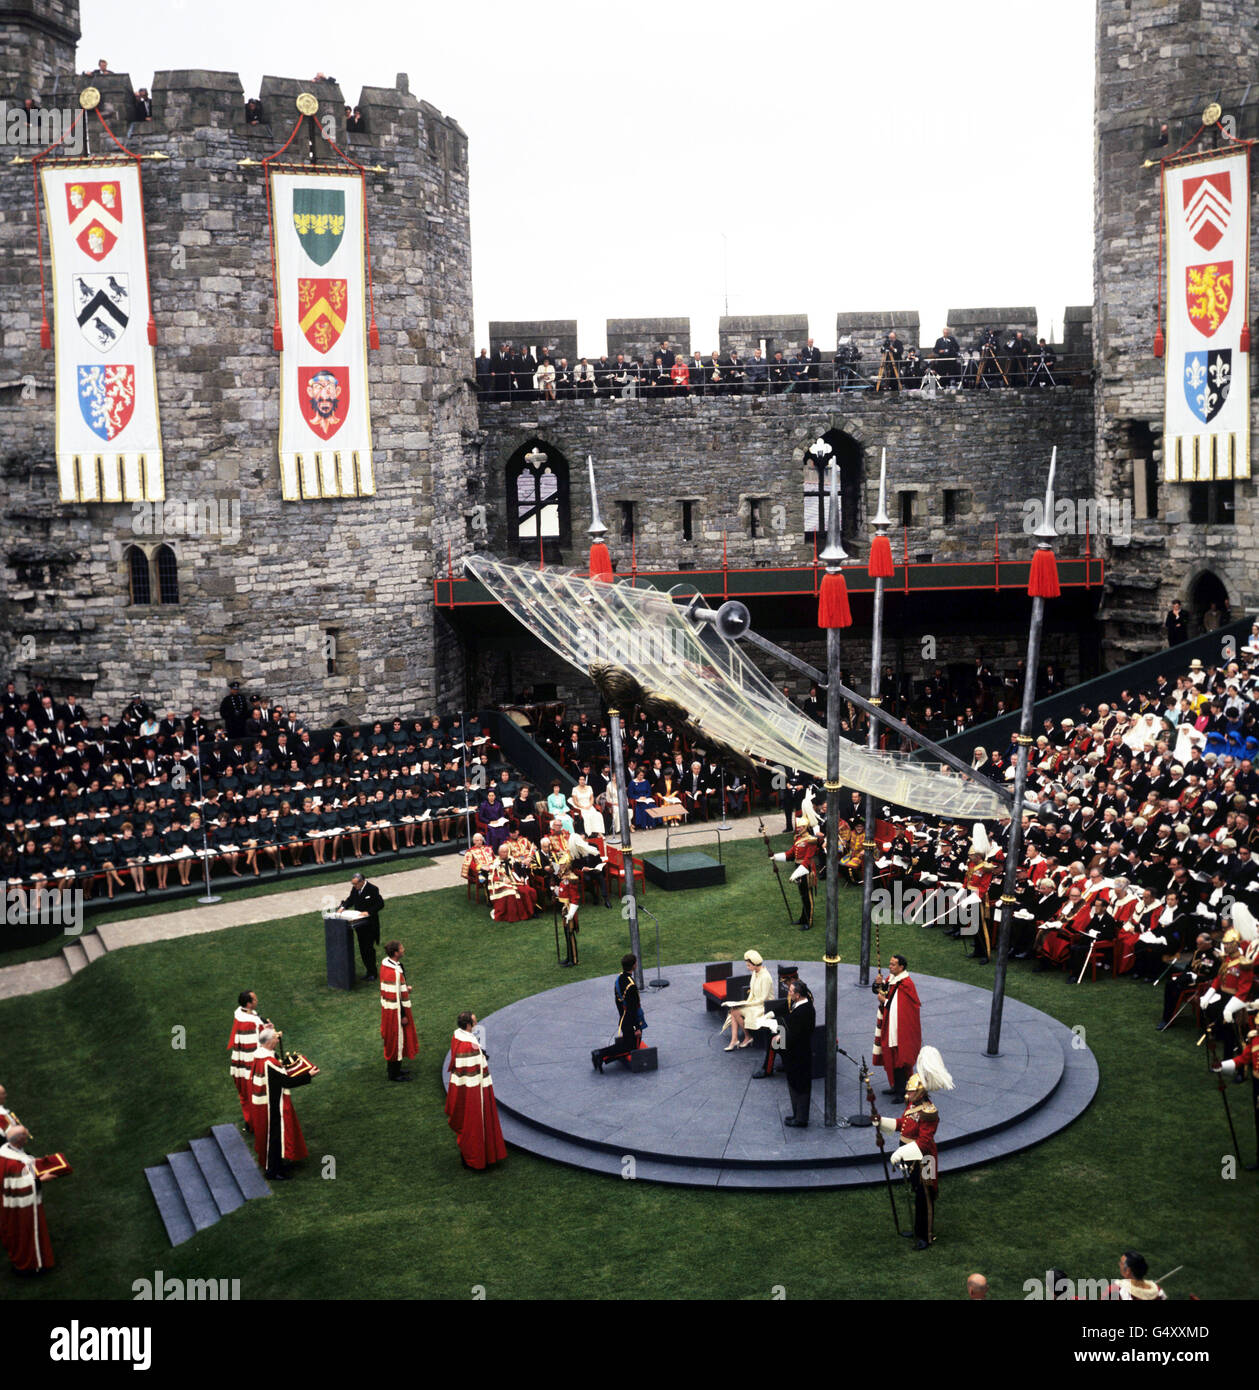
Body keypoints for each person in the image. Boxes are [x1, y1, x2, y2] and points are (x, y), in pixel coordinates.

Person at [877, 1046, 952, 1250]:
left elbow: (924, 1142)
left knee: (925, 1197)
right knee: (916, 1192)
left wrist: (900, 1153)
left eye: (911, 1091)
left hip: (926, 1159)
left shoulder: (929, 1111)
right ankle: (918, 1230)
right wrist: (882, 1122)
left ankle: (925, 1235)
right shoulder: (913, 1106)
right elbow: (905, 1125)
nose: (907, 1094)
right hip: (912, 1158)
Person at [249, 1027, 318, 1180]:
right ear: (268, 1042)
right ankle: (273, 1171)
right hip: (272, 1105)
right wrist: (308, 1075)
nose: (278, 1040)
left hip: (262, 1103)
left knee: (270, 1136)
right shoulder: (269, 1062)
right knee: (274, 1137)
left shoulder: (260, 1057)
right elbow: (287, 1082)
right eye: (275, 1038)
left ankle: (275, 1166)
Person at [444, 1012, 507, 1170]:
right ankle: (474, 1159)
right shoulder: (467, 1047)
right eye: (474, 1021)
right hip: (474, 1093)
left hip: (465, 1089)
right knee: (474, 1124)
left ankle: (469, 1156)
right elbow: (474, 1073)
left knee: (468, 1124)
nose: (477, 1023)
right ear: (468, 1025)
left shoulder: (458, 1036)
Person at [0, 1125, 67, 1274]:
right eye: (26, 1135)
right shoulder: (14, 1164)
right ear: (20, 1140)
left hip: (7, 1203)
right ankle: (30, 1266)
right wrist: (42, 1179)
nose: (28, 1137)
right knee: (25, 1232)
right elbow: (21, 1187)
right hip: (21, 1207)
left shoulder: (5, 1152)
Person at [872, 953, 921, 1100]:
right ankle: (896, 1086)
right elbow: (881, 992)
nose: (890, 966)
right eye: (890, 963)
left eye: (893, 964)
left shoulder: (906, 984)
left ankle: (902, 1091)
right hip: (891, 1024)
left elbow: (901, 1007)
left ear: (901, 967)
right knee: (892, 1056)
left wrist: (884, 1001)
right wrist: (878, 984)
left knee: (900, 1058)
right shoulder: (892, 979)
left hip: (900, 1029)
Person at [592, 954, 646, 1071]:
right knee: (630, 1047)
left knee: (627, 1044)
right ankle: (600, 1054)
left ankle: (600, 1055)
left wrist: (622, 1014)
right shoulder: (631, 986)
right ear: (634, 965)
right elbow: (633, 1008)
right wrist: (636, 1027)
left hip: (623, 1016)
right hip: (630, 1020)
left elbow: (618, 1000)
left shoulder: (619, 978)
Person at [380, 940, 418, 1082]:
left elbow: (394, 990)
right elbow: (394, 998)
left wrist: (404, 989)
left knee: (396, 1039)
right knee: (395, 1039)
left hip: (391, 1010)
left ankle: (396, 1069)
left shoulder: (388, 966)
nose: (403, 950)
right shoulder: (393, 972)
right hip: (395, 1013)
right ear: (395, 953)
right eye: (401, 948)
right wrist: (402, 1015)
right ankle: (394, 1074)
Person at [722, 949, 775, 1050]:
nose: (747, 967)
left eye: (749, 965)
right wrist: (746, 1003)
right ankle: (735, 1040)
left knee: (735, 1011)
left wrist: (747, 1005)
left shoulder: (766, 977)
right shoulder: (755, 973)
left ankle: (747, 1037)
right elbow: (752, 992)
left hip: (764, 1006)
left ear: (755, 964)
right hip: (754, 1003)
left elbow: (763, 999)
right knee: (734, 1009)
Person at [227, 989, 265, 1128]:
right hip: (250, 1068)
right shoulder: (250, 1023)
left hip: (240, 1064)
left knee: (245, 1097)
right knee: (255, 1097)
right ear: (248, 1004)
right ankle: (256, 1125)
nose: (257, 1001)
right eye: (254, 999)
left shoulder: (240, 1014)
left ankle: (250, 1122)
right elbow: (257, 1046)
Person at [782, 977, 816, 1127]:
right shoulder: (799, 1006)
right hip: (794, 1053)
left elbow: (795, 1034)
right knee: (793, 1083)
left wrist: (780, 1037)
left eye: (790, 991)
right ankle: (797, 1114)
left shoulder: (805, 1010)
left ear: (797, 995)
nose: (788, 993)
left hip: (799, 1054)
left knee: (800, 1085)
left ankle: (801, 1118)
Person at [338, 871, 384, 980]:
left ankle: (373, 972)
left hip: (370, 925)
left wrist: (368, 912)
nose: (354, 886)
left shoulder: (372, 889)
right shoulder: (355, 889)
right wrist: (343, 907)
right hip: (360, 924)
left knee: (368, 949)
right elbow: (351, 899)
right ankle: (368, 971)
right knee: (363, 949)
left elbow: (380, 904)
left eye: (355, 884)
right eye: (353, 884)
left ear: (362, 882)